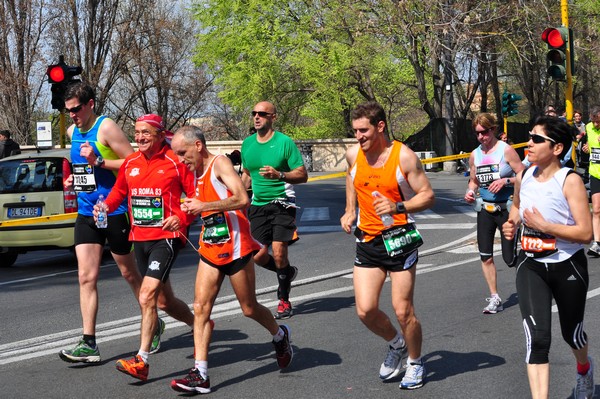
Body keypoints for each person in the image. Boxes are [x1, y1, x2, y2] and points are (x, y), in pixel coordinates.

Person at [169, 126, 293, 393]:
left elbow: (242, 198)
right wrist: (181, 217)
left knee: (249, 308)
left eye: (182, 153)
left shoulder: (219, 163)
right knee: (201, 308)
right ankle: (200, 374)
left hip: (236, 248)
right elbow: (195, 206)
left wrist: (205, 206)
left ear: (198, 146)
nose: (180, 159)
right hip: (210, 248)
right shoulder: (194, 173)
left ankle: (279, 335)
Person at [340, 101, 434, 390]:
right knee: (365, 311)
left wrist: (397, 206)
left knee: (403, 310)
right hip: (368, 240)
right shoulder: (354, 154)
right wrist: (349, 209)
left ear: (380, 126)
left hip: (399, 240)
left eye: (364, 130)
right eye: (355, 131)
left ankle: (416, 363)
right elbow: (350, 177)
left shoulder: (403, 157)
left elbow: (428, 196)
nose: (359, 137)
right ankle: (396, 345)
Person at [96, 114, 197, 381]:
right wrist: (105, 205)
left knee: (146, 295)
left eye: (145, 133)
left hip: (166, 237)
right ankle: (199, 324)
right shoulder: (130, 162)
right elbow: (119, 192)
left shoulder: (176, 161)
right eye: (137, 132)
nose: (139, 138)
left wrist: (183, 218)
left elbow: (196, 197)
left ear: (159, 134)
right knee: (164, 301)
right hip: (139, 238)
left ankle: (141, 361)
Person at [502, 116, 594, 399]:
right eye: (530, 136)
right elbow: (517, 206)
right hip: (531, 265)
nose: (529, 142)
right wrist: (512, 222)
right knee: (538, 340)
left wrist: (546, 227)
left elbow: (586, 233)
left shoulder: (570, 181)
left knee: (572, 334)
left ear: (557, 148)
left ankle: (584, 369)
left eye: (537, 139)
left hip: (567, 266)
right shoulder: (524, 175)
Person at [59, 83, 145, 364]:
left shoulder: (107, 128)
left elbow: (135, 162)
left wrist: (99, 162)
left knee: (129, 274)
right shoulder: (72, 132)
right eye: (68, 110)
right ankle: (89, 343)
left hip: (115, 210)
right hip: (86, 213)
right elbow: (79, 166)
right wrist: (74, 177)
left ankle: (152, 319)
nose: (72, 115)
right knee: (86, 277)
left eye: (76, 109)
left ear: (90, 104)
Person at [240, 101, 307, 319]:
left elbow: (302, 175)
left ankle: (284, 300)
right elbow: (247, 175)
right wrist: (238, 199)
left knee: (279, 252)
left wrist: (280, 175)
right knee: (257, 256)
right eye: (254, 113)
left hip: (282, 203)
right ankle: (286, 272)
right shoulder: (248, 144)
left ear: (273, 117)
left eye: (262, 113)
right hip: (258, 206)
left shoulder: (284, 143)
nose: (257, 117)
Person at [464, 112, 524, 314]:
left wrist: (506, 181)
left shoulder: (506, 151)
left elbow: (524, 175)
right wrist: (470, 191)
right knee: (485, 256)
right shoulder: (475, 154)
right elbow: (474, 179)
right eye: (477, 133)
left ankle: (532, 282)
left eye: (484, 132)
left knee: (509, 258)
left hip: (506, 209)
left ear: (493, 130)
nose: (481, 137)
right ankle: (495, 297)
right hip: (485, 210)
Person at [586, 106, 600, 257]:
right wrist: (587, 147)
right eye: (594, 121)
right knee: (596, 209)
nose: (596, 125)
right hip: (595, 173)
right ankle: (597, 243)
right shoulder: (589, 128)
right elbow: (592, 146)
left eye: (599, 122)